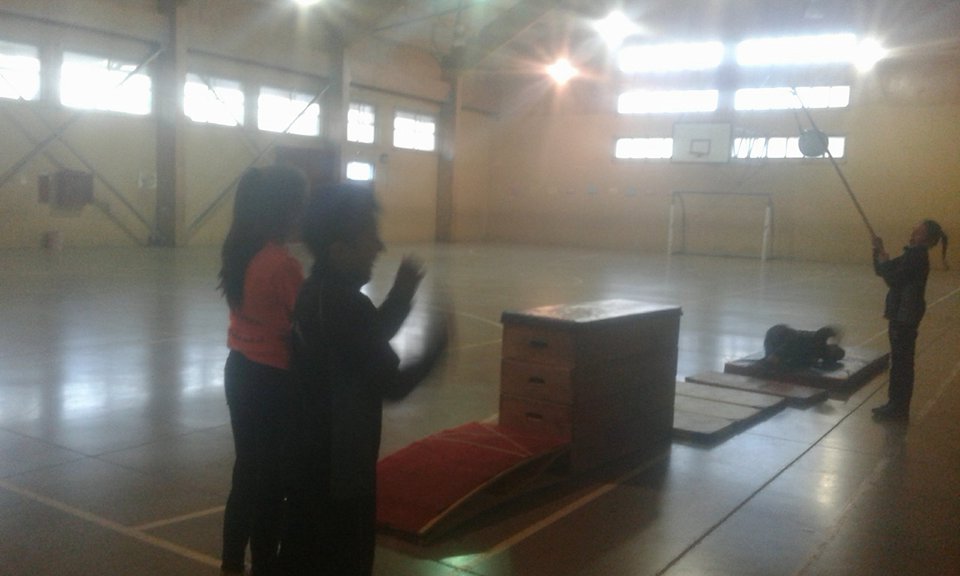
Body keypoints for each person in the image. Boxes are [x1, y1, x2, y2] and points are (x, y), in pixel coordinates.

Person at [279, 182, 449, 576]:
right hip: (343, 469)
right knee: (346, 559)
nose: (379, 247)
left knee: (303, 553)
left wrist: (401, 296)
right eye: (369, 236)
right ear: (339, 250)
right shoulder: (347, 306)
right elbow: (393, 384)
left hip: (310, 460)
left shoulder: (314, 293)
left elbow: (362, 342)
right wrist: (437, 348)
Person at [218, 165, 308, 576]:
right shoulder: (281, 264)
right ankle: (265, 564)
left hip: (240, 370)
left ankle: (231, 562)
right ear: (283, 211)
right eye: (298, 207)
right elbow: (304, 323)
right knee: (272, 482)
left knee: (247, 473)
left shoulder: (240, 251)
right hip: (273, 380)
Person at [871, 219, 948, 421]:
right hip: (902, 314)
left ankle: (898, 408)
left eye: (919, 231)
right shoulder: (911, 254)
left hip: (905, 316)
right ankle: (894, 404)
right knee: (899, 362)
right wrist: (878, 251)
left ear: (926, 239)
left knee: (902, 364)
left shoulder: (917, 256)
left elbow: (893, 279)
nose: (913, 231)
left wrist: (884, 261)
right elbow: (883, 271)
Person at [752, 324, 846, 375]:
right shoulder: (812, 343)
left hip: (782, 339)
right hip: (776, 337)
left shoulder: (817, 352)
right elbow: (826, 331)